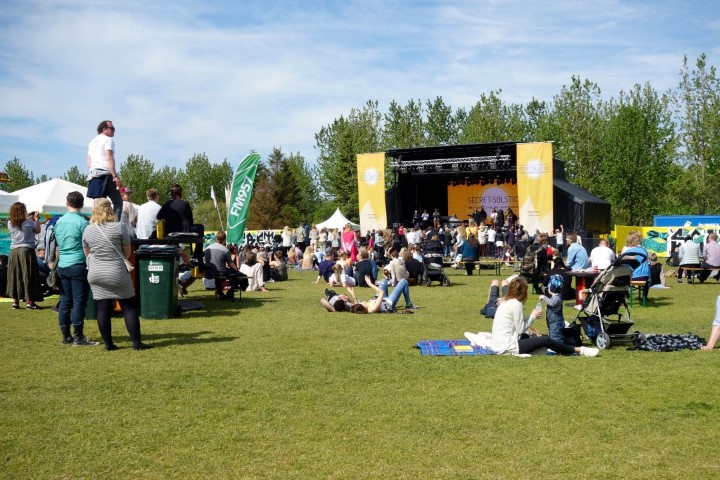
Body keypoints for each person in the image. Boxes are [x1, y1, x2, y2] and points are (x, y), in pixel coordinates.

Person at [82, 199, 152, 350]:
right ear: (110, 209)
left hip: (95, 273)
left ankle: (108, 344)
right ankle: (136, 343)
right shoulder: (119, 227)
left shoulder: (88, 230)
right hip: (116, 271)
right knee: (128, 306)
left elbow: (87, 254)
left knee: (103, 308)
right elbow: (126, 253)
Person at [468, 276, 599, 357]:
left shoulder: (506, 301)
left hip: (500, 344)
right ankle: (578, 350)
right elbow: (520, 329)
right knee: (545, 340)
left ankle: (565, 348)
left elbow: (517, 328)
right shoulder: (516, 304)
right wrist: (533, 316)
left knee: (528, 338)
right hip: (507, 346)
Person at [52, 192, 98, 345]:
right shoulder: (83, 223)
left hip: (63, 264)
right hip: (78, 263)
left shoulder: (59, 222)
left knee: (65, 300)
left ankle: (66, 335)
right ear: (82, 204)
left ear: (67, 203)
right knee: (79, 301)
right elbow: (89, 245)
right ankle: (78, 335)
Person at [7, 202, 44, 309]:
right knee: (28, 275)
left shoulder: (10, 223)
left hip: (14, 251)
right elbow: (37, 230)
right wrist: (36, 219)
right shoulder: (29, 222)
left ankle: (15, 301)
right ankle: (29, 302)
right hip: (26, 250)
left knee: (15, 275)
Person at [86, 120, 123, 221]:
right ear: (104, 130)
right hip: (106, 174)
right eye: (112, 129)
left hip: (94, 176)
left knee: (98, 206)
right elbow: (109, 158)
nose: (114, 131)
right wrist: (115, 176)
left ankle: (97, 226)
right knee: (118, 202)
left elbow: (88, 163)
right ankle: (114, 225)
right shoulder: (108, 140)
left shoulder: (92, 142)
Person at [347, 275, 418, 314]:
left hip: (380, 298)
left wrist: (352, 293)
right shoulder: (372, 309)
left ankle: (389, 280)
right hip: (389, 302)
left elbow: (356, 303)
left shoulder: (362, 305)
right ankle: (409, 304)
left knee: (383, 281)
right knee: (403, 281)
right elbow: (381, 293)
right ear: (361, 307)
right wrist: (370, 284)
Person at [204, 230, 240, 300]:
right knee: (235, 274)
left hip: (208, 272)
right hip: (220, 272)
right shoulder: (225, 250)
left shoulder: (207, 248)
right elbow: (231, 264)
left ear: (216, 238)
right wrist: (237, 270)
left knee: (218, 276)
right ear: (224, 239)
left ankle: (219, 293)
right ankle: (229, 292)